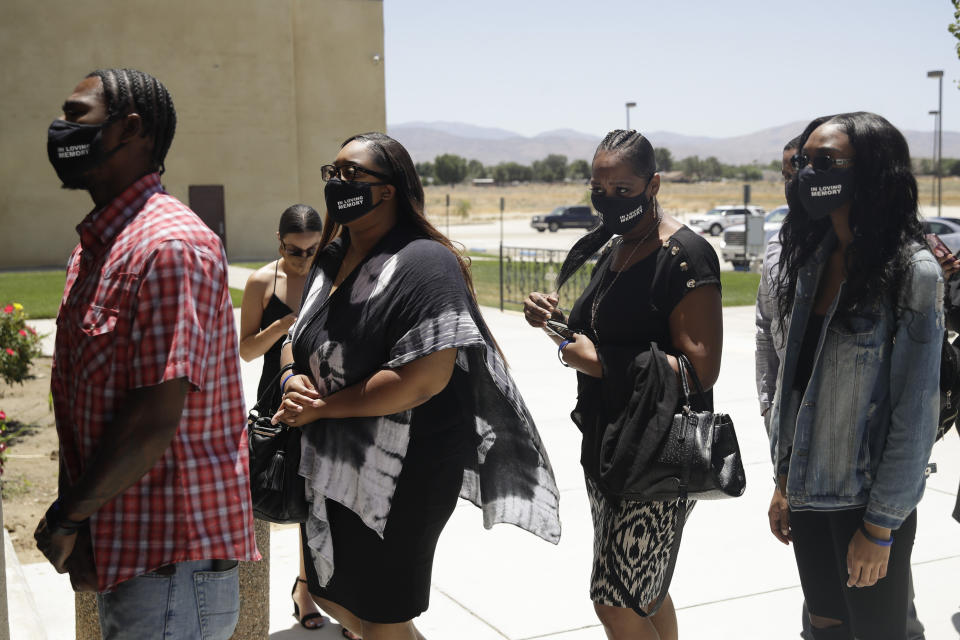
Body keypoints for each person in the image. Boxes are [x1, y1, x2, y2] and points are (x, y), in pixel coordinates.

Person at [271, 132, 561, 640]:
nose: (338, 182)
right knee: (339, 601)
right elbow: (297, 338)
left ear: (388, 191)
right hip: (333, 461)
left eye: (353, 174)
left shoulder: (426, 263)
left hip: (407, 471)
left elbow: (422, 380)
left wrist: (322, 408)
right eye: (333, 172)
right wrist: (291, 376)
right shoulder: (332, 256)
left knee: (382, 616)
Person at [34, 68, 258, 639]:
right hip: (131, 555)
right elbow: (86, 405)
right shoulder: (101, 249)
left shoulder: (168, 246)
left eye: (76, 114)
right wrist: (87, 524)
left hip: (168, 570)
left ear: (129, 129)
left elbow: (153, 417)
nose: (61, 129)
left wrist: (69, 516)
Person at [524, 129, 723, 640]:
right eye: (599, 189)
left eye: (623, 190)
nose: (608, 200)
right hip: (610, 444)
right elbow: (602, 339)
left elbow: (700, 371)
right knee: (644, 591)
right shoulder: (615, 247)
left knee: (614, 600)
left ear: (653, 184)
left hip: (655, 456)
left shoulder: (684, 256)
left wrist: (603, 363)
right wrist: (554, 323)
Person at [765, 112, 941, 640]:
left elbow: (915, 414)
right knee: (825, 630)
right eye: (803, 162)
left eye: (825, 162)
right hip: (807, 496)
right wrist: (783, 481)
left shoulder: (912, 271)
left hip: (866, 503)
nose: (806, 173)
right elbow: (793, 385)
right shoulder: (811, 260)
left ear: (870, 172)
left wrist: (882, 527)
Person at [238, 204, 329, 631]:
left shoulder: (328, 277)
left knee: (321, 504)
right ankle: (280, 596)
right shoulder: (261, 281)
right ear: (280, 242)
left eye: (312, 251)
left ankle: (309, 593)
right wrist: (287, 326)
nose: (304, 259)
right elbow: (246, 350)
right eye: (295, 251)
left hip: (324, 400)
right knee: (279, 495)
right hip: (276, 402)